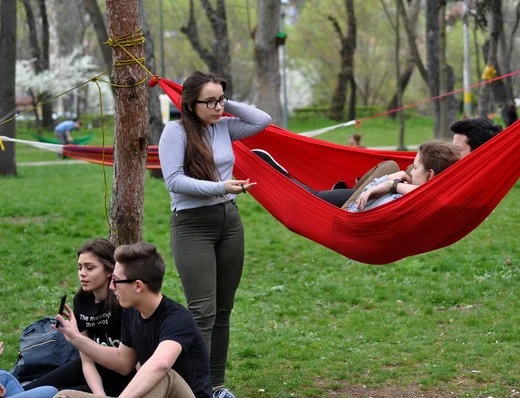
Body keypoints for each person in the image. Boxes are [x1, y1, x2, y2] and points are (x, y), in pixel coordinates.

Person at [158, 71, 272, 398]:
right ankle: (197, 388)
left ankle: (216, 385)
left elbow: (262, 119)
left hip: (229, 221)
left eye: (221, 99)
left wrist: (221, 99)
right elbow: (174, 181)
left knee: (223, 309)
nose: (218, 107)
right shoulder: (175, 131)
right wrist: (220, 186)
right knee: (202, 312)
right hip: (192, 224)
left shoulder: (223, 126)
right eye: (209, 101)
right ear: (190, 104)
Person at [54, 242, 212, 398]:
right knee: (65, 396)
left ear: (138, 286)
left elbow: (161, 364)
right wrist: (76, 338)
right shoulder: (131, 313)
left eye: (116, 280)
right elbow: (123, 363)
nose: (111, 287)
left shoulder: (177, 318)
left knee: (163, 375)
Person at [253, 117, 502, 208]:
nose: (452, 153)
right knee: (317, 197)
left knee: (313, 200)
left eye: (457, 148)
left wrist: (392, 185)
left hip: (365, 206)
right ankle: (345, 189)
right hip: (374, 196)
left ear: (478, 152)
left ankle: (275, 172)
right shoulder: (455, 169)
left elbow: (433, 198)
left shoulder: (464, 180)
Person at [24, 239, 134, 395]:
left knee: (56, 394)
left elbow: (130, 364)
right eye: (80, 267)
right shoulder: (82, 300)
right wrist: (99, 394)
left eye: (90, 268)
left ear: (109, 270)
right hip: (93, 369)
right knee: (28, 390)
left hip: (122, 379)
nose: (82, 273)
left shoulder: (122, 303)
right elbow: (87, 360)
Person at [348, 140, 461, 212]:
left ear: (431, 175)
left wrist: (389, 183)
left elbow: (353, 210)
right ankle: (350, 189)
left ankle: (353, 188)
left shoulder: (397, 199)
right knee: (397, 169)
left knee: (389, 166)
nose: (411, 172)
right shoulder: (448, 197)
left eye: (415, 168)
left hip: (346, 215)